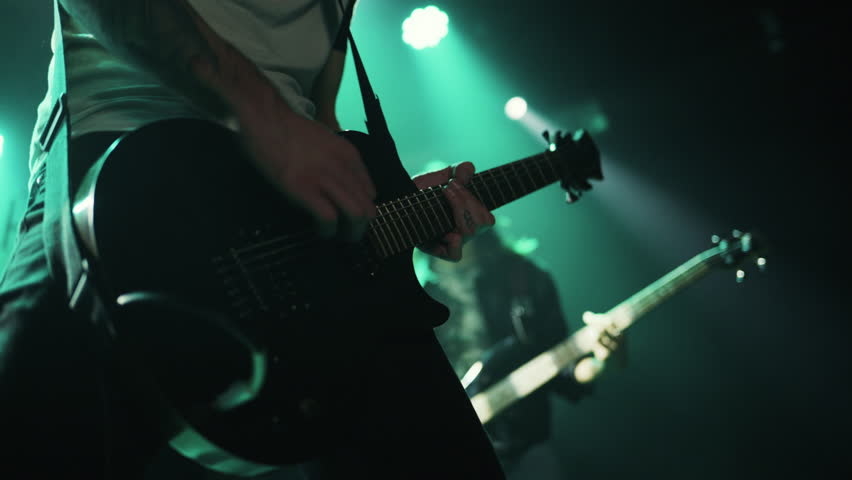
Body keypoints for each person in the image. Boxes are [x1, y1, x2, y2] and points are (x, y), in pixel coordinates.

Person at [0, 1, 502, 479]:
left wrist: (381, 199)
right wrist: (267, 117)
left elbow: (320, 120)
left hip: (288, 218)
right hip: (124, 180)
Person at [420, 227, 625, 479]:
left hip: (524, 447)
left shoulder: (526, 276)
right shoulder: (408, 292)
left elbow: (565, 372)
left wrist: (602, 361)